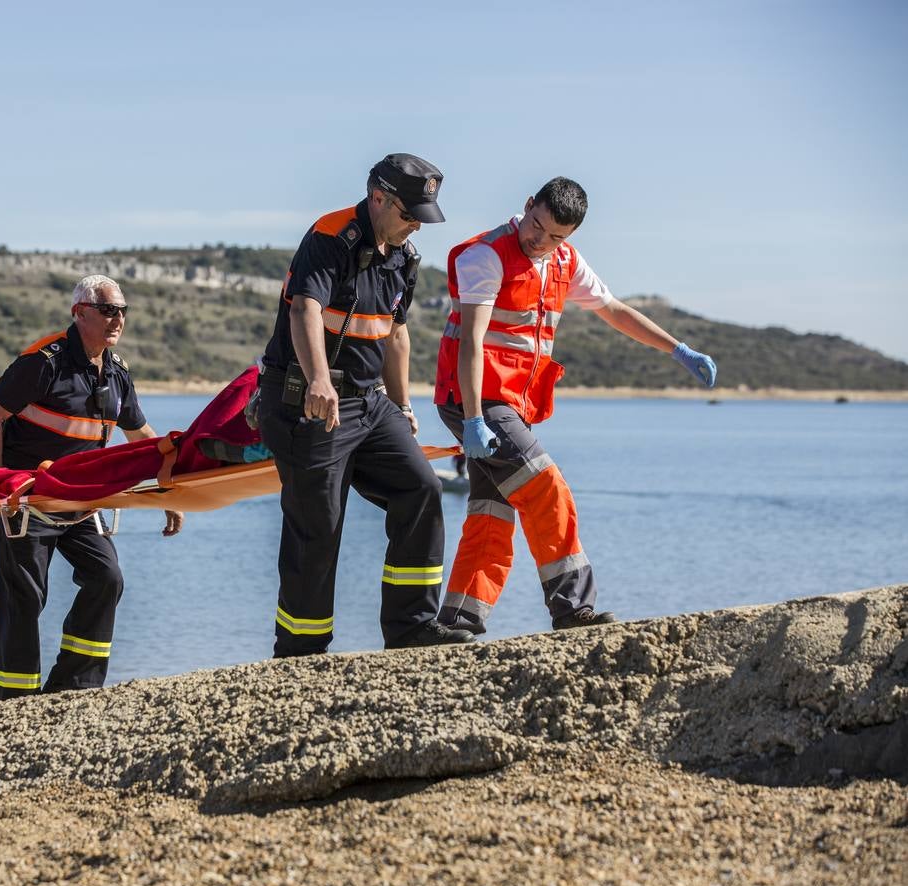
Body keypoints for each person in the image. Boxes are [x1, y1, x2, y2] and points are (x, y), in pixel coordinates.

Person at [434, 177, 718, 635]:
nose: (540, 240)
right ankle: (572, 609)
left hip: (510, 405)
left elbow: (614, 310)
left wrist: (677, 349)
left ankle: (457, 622)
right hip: (477, 398)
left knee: (492, 512)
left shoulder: (565, 260)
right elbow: (470, 342)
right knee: (548, 487)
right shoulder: (486, 255)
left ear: (570, 237)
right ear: (527, 205)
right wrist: (470, 419)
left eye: (556, 237)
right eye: (536, 226)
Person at [256, 153, 475, 658]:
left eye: (424, 215)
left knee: (420, 489)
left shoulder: (405, 257)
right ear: (379, 197)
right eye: (409, 212)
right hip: (308, 403)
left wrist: (402, 404)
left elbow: (396, 336)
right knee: (320, 524)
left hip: (369, 404)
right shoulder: (330, 237)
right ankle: (301, 651)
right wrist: (318, 380)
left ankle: (412, 626)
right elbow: (305, 310)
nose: (417, 223)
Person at [0, 274, 182, 700]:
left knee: (107, 578)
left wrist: (169, 490)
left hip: (82, 503)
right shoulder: (44, 363)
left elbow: (142, 439)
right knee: (25, 596)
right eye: (108, 310)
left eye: (123, 311)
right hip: (28, 502)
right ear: (80, 313)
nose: (118, 319)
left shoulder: (117, 374)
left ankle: (74, 686)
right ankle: (13, 699)